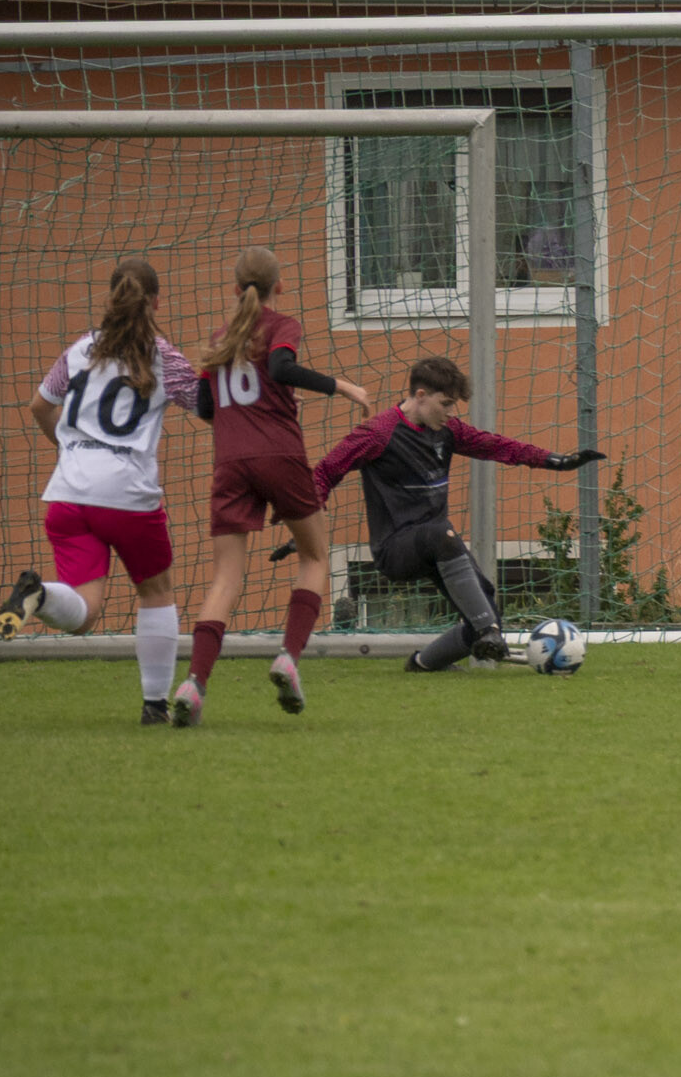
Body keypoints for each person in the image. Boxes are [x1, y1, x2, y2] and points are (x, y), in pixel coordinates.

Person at [0, 259, 208, 722]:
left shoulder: (80, 350)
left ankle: (40, 596)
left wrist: (69, 448)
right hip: (128, 496)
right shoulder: (163, 357)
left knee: (85, 612)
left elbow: (39, 405)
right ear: (156, 303)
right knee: (156, 592)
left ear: (110, 298)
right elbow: (207, 408)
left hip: (69, 495)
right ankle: (154, 706)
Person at [172, 247, 372, 727]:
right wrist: (342, 386)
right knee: (315, 556)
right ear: (279, 286)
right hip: (279, 456)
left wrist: (249, 412)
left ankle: (193, 684)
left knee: (225, 579)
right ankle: (288, 658)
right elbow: (281, 368)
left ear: (235, 288)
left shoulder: (221, 338)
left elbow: (207, 406)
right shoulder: (282, 325)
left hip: (230, 462)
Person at [310, 354, 603, 672]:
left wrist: (556, 461)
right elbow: (324, 472)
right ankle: (488, 631)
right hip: (395, 549)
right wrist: (308, 527)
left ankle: (423, 665)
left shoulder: (447, 430)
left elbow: (497, 446)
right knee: (453, 556)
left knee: (485, 609)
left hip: (437, 544)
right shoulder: (378, 432)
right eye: (446, 403)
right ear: (421, 395)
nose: (451, 412)